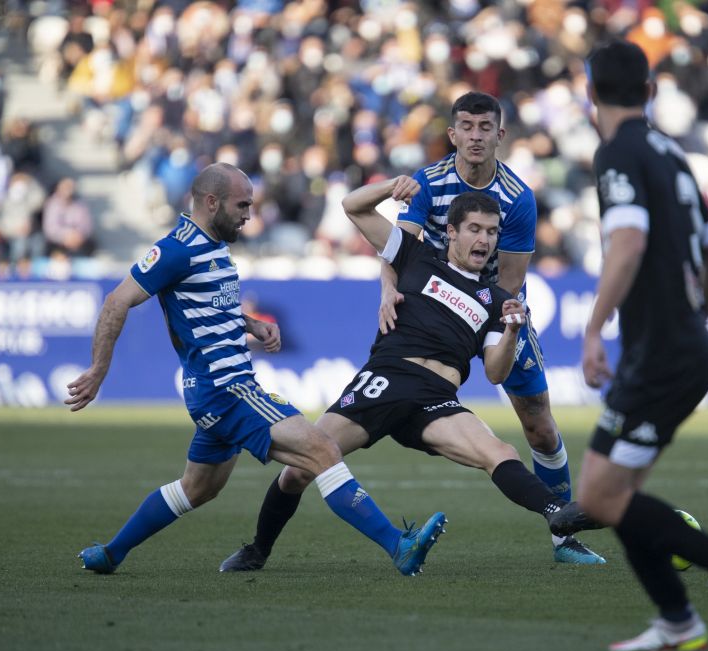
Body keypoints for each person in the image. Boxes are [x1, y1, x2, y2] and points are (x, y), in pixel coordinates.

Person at [67, 163, 446, 577]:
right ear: (211, 202)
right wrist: (98, 370)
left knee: (198, 488)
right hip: (226, 388)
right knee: (322, 450)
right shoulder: (175, 249)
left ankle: (111, 553)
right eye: (242, 204)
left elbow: (206, 306)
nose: (250, 214)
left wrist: (250, 324)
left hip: (216, 391)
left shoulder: (212, 244)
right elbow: (116, 302)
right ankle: (398, 545)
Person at [219, 179, 602, 572]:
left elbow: (494, 372)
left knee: (500, 452)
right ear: (452, 231)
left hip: (436, 398)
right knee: (299, 469)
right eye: (474, 229)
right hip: (386, 380)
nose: (484, 239)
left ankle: (558, 511)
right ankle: (257, 550)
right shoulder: (418, 257)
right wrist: (391, 187)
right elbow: (353, 206)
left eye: (491, 232)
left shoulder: (497, 301)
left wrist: (512, 332)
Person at [549, 40, 708, 651]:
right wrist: (695, 319)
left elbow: (627, 244)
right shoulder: (671, 154)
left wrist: (594, 330)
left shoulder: (616, 153)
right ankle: (678, 621)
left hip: (662, 354)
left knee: (597, 496)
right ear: (649, 92)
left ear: (589, 92)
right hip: (682, 346)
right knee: (620, 495)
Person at [380, 91, 601, 564]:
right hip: (429, 314)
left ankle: (564, 537)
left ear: (500, 134)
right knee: (384, 401)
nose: (476, 137)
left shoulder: (518, 198)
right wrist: (386, 290)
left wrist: (493, 333)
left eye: (485, 128)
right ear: (452, 133)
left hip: (492, 309)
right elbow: (396, 248)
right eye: (467, 126)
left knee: (539, 426)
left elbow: (509, 282)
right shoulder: (426, 183)